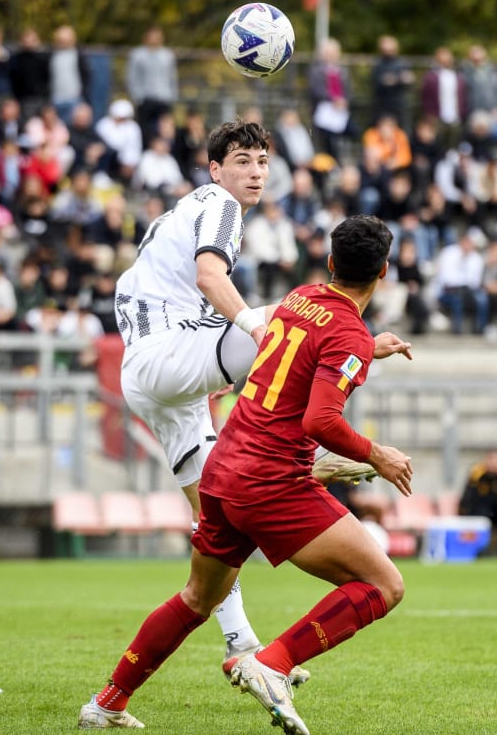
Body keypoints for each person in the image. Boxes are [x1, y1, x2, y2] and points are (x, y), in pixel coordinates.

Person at [79, 215, 413, 732]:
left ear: (329, 264)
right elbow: (320, 419)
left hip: (224, 469)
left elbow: (309, 351)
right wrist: (377, 454)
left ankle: (107, 701)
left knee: (198, 598)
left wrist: (370, 346)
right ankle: (271, 663)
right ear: (384, 272)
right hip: (270, 482)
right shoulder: (348, 333)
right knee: (383, 585)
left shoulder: (300, 298)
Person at [112, 121, 409, 685]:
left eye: (263, 162)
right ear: (215, 170)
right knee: (294, 317)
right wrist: (255, 326)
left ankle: (233, 645)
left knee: (212, 518)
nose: (255, 173)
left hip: (155, 375)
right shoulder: (220, 205)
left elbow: (138, 283)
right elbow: (209, 275)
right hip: (168, 355)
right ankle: (298, 462)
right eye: (243, 161)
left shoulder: (184, 210)